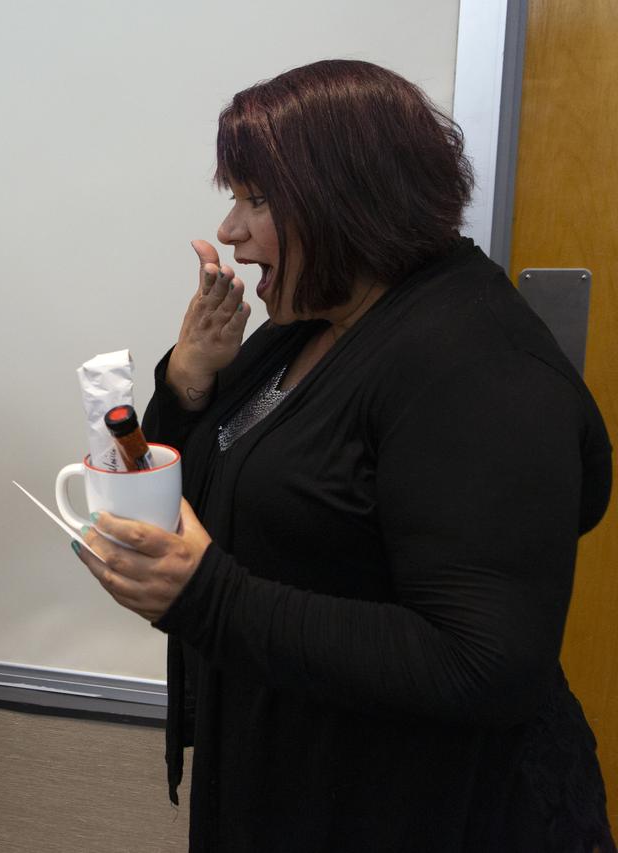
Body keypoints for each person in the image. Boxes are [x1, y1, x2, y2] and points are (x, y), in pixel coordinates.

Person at [72, 60, 614, 851]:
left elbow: (482, 663)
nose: (230, 230)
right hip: (301, 770)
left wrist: (210, 598)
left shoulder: (473, 361)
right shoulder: (315, 319)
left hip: (430, 808)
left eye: (257, 200)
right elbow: (232, 489)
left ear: (349, 195)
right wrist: (190, 379)